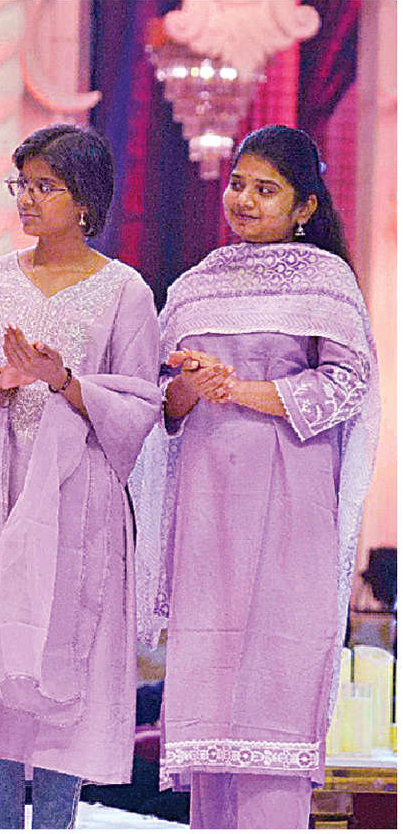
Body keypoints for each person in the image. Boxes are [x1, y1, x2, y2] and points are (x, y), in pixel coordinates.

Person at [0, 124, 160, 829]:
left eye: (43, 186)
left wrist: (66, 382)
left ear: (84, 200)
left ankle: (56, 822)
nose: (25, 198)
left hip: (77, 501)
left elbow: (140, 404)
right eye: (21, 184)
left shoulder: (126, 292)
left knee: (61, 657)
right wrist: (1, 379)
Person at [139, 124, 377, 829]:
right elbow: (163, 405)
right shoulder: (196, 283)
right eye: (239, 184)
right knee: (212, 694)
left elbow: (348, 386)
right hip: (207, 505)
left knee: (275, 688)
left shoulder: (326, 280)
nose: (243, 199)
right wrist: (190, 385)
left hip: (290, 504)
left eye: (265, 189)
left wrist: (239, 390)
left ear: (305, 206)